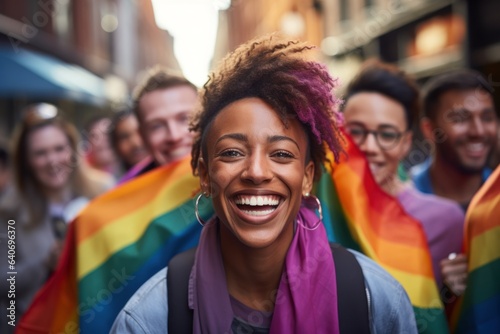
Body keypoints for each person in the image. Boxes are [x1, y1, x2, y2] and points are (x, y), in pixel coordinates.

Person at [111, 35, 417, 333]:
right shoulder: (148, 319)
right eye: (232, 153)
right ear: (205, 176)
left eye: (282, 154)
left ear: (307, 177)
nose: (256, 172)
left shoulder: (375, 300)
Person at [342, 60, 465, 293]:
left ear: (406, 143)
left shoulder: (445, 222)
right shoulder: (315, 214)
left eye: (387, 134)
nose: (369, 146)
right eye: (355, 131)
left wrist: (452, 295)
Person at [0, 103, 112, 333]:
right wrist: (45, 262)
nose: (52, 160)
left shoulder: (104, 192)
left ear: (73, 149)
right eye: (40, 153)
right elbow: (6, 285)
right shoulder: (9, 212)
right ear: (26, 161)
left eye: (59, 148)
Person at [410, 69, 499, 211]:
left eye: (487, 118)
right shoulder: (403, 200)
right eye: (460, 119)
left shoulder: (497, 194)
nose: (478, 131)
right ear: (429, 130)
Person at [119, 67, 198, 183]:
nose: (174, 136)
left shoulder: (232, 180)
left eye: (185, 119)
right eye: (156, 126)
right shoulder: (126, 196)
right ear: (142, 136)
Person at [108, 109, 149, 175]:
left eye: (140, 132)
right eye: (124, 137)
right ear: (115, 146)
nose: (136, 143)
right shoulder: (118, 184)